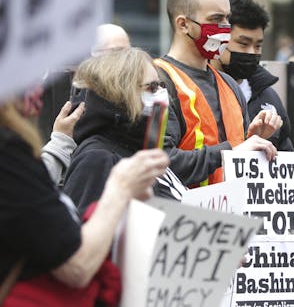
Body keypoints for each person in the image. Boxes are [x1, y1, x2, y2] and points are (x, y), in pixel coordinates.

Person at [0, 93, 168, 306]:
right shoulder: (8, 152)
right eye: (150, 87)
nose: (39, 86)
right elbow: (76, 265)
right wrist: (120, 187)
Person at [156, 0, 281, 187]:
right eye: (216, 19)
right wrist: (229, 153)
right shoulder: (158, 81)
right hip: (183, 217)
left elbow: (235, 153)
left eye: (227, 19)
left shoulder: (229, 84)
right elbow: (161, 164)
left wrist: (253, 140)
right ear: (183, 24)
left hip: (228, 215)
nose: (224, 28)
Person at [62, 48, 186, 214]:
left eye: (161, 85)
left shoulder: (140, 149)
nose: (162, 93)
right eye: (152, 87)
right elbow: (87, 234)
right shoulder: (97, 159)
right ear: (121, 93)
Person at [210, 0, 294, 152]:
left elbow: (286, 153)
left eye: (258, 46)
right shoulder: (200, 92)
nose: (251, 52)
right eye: (243, 44)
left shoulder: (269, 97)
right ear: (219, 40)